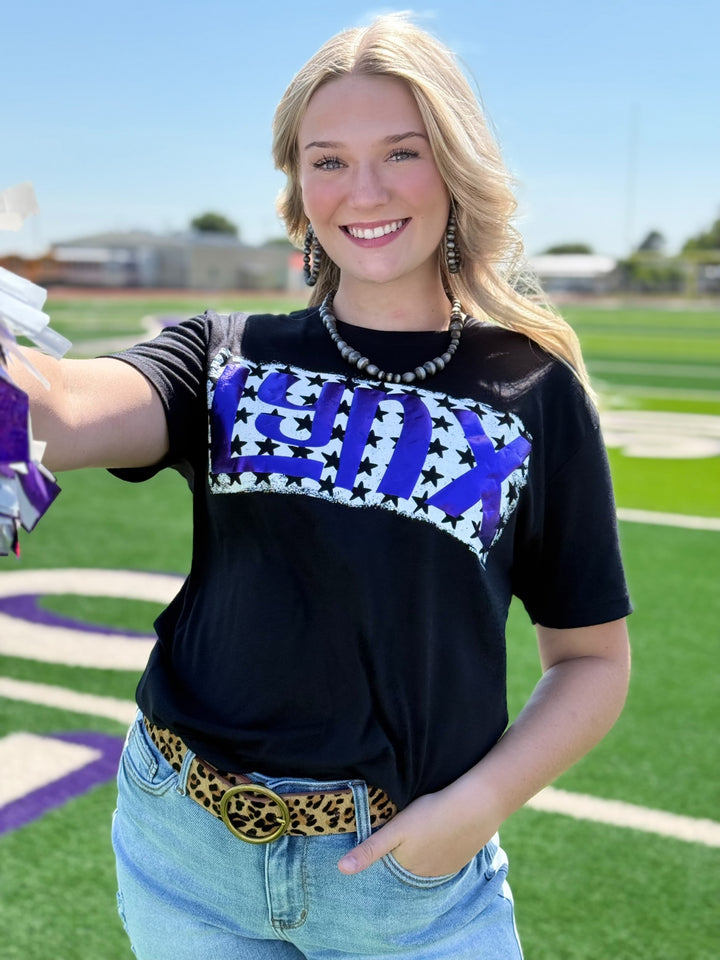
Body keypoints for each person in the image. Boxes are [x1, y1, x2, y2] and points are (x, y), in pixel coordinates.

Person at [6, 14, 631, 959]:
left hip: (407, 880)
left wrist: (474, 809)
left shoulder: (531, 390)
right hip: (186, 851)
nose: (364, 191)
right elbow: (60, 404)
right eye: (327, 160)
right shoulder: (224, 354)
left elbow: (591, 659)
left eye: (401, 153)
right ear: (297, 186)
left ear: (454, 167)